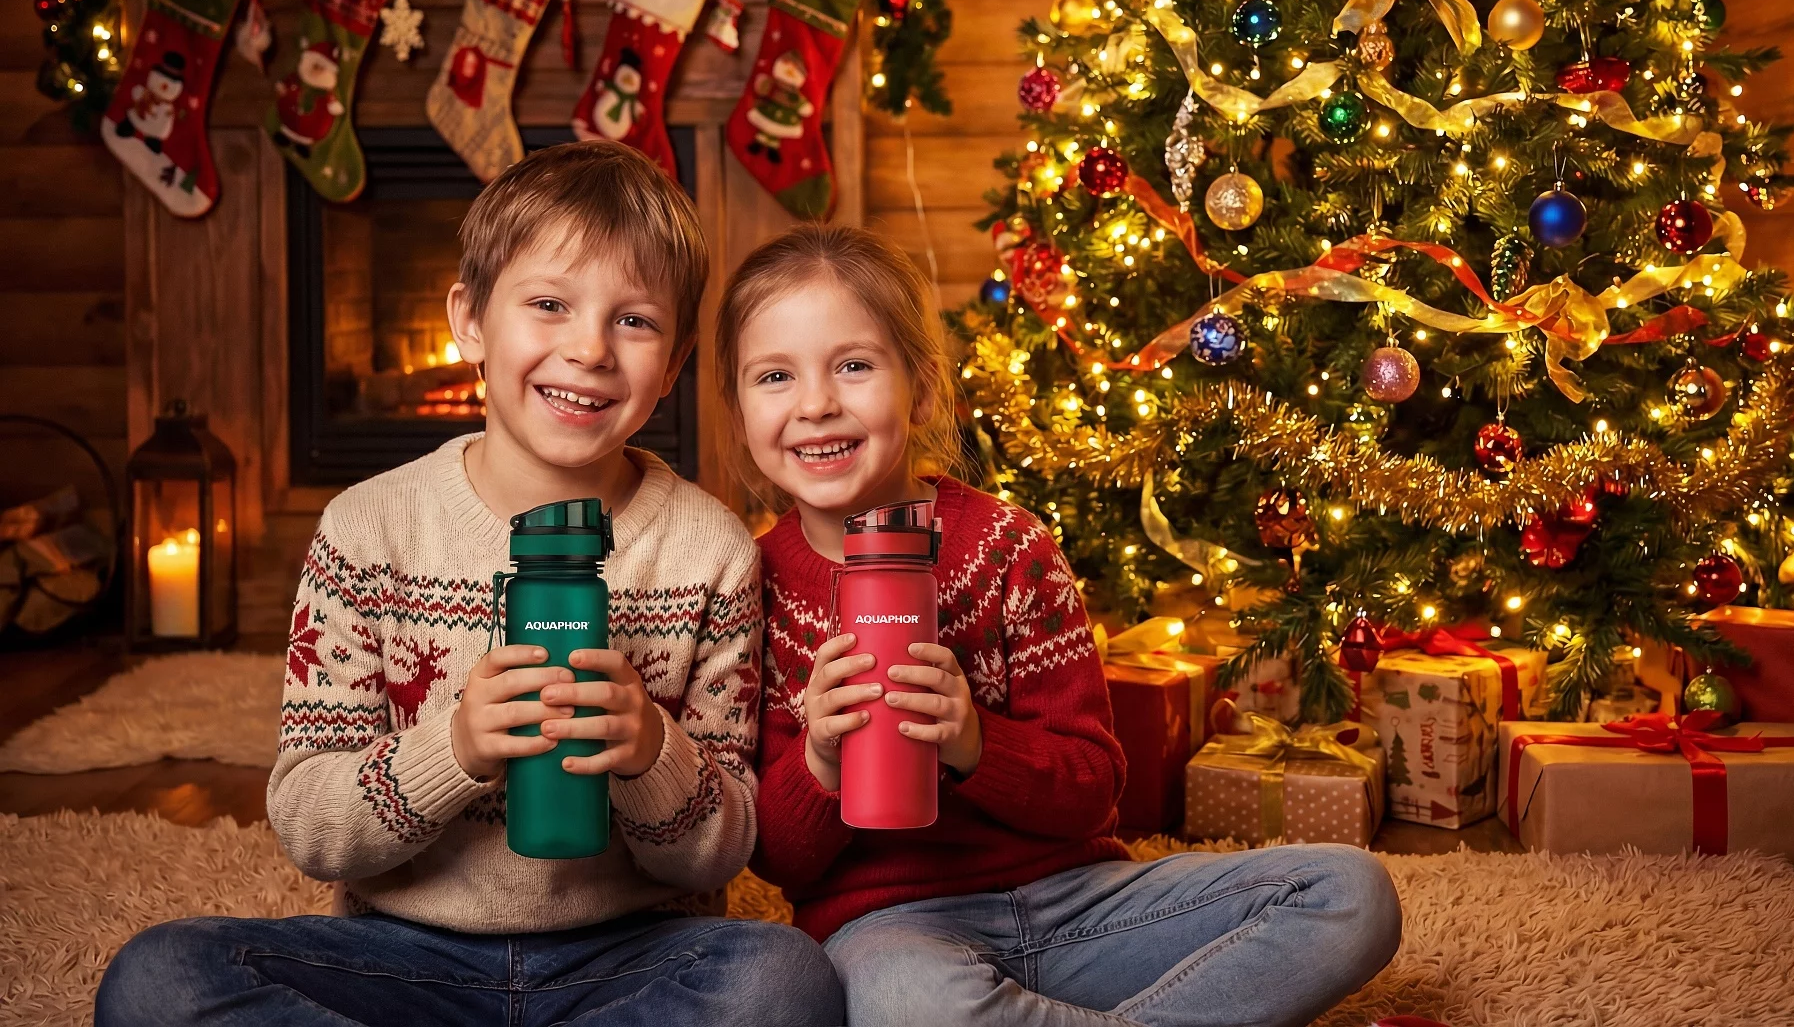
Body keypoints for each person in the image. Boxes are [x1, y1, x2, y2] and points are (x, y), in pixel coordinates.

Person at [96, 141, 843, 1027]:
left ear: (674, 365)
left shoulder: (708, 549)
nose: (589, 348)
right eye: (549, 305)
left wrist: (650, 749)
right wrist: (450, 748)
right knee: (158, 980)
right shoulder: (369, 530)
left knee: (784, 981)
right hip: (407, 958)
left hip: (630, 954)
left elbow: (721, 852)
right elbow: (309, 822)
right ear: (470, 321)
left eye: (634, 321)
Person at [720, 223, 1403, 1027]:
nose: (816, 404)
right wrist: (821, 759)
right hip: (894, 931)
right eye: (774, 376)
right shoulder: (754, 586)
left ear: (926, 390)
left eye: (855, 366)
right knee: (900, 1002)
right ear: (737, 412)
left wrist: (975, 741)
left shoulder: (1008, 547)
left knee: (1351, 896)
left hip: (1082, 906)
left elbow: (1093, 792)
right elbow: (774, 861)